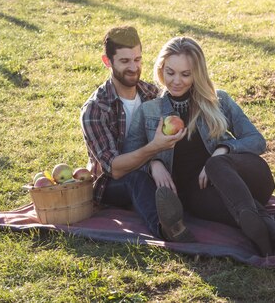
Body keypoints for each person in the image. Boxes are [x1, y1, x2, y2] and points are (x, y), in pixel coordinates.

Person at [123, 36, 275, 257]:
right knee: (241, 211)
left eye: (185, 74)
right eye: (170, 72)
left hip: (245, 177)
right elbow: (128, 157)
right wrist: (153, 163)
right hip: (199, 193)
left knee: (217, 164)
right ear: (161, 70)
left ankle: (267, 230)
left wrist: (223, 150)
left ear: (197, 74)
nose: (176, 80)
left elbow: (256, 140)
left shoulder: (219, 101)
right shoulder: (149, 111)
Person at [80, 26, 194, 242]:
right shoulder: (96, 109)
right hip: (112, 185)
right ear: (107, 61)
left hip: (152, 170)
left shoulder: (152, 94)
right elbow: (114, 169)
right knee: (137, 180)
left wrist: (156, 162)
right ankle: (166, 229)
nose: (134, 67)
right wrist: (154, 152)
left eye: (137, 59)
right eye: (125, 61)